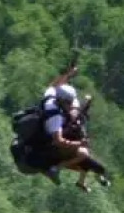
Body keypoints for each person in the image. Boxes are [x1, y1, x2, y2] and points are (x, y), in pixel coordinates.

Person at [13, 60, 111, 191]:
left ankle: (84, 177)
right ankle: (54, 169)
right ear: (62, 101)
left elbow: (54, 84)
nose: (71, 105)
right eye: (69, 103)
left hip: (44, 135)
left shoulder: (51, 97)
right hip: (48, 145)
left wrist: (69, 74)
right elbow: (58, 141)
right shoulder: (55, 118)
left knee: (82, 145)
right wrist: (78, 144)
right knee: (84, 154)